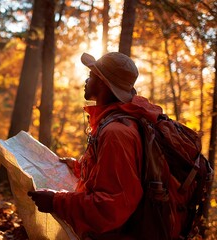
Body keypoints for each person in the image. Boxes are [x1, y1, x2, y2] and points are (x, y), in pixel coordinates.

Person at [28, 52, 163, 239]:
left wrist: (55, 201)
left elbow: (111, 206)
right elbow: (111, 176)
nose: (86, 80)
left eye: (91, 76)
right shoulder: (110, 124)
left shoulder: (115, 133)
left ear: (103, 83)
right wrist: (78, 167)